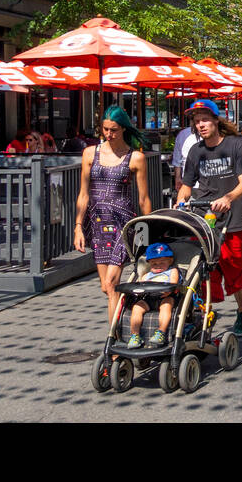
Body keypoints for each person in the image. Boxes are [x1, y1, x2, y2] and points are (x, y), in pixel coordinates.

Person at [176, 99, 242, 337]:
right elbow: (186, 186)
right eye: (196, 121)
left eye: (204, 120)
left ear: (215, 120)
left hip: (233, 217)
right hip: (205, 217)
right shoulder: (195, 151)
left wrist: (229, 197)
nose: (200, 125)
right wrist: (181, 201)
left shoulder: (235, 145)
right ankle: (205, 314)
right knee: (202, 269)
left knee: (236, 267)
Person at [75, 106, 153, 324]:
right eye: (105, 129)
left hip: (123, 223)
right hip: (98, 222)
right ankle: (132, 314)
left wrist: (147, 234)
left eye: (114, 130)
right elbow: (83, 193)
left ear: (124, 129)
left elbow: (144, 199)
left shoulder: (135, 157)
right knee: (107, 288)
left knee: (111, 283)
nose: (108, 134)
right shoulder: (90, 154)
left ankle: (115, 342)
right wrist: (78, 226)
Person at [126, 242, 180, 348]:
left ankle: (161, 332)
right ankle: (135, 335)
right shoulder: (147, 275)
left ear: (170, 261)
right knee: (137, 307)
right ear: (149, 263)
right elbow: (139, 286)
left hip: (166, 296)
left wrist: (168, 289)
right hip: (149, 298)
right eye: (154, 263)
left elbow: (173, 283)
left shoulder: (172, 271)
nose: (158, 266)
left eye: (162, 263)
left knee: (166, 306)